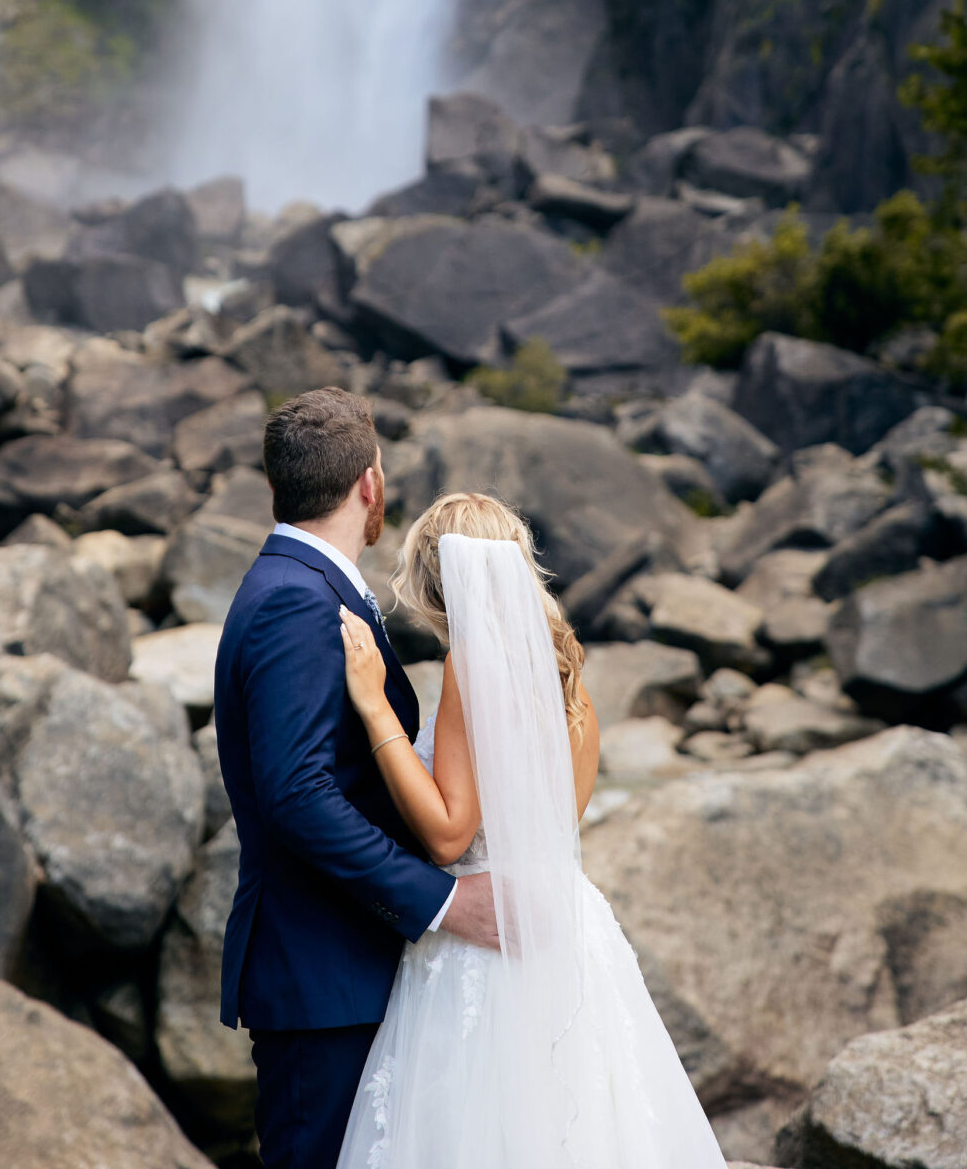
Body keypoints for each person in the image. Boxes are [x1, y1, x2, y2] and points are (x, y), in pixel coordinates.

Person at [335, 491, 729, 1168]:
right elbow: (549, 833)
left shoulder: (469, 667)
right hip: (567, 928)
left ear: (438, 581)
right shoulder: (572, 687)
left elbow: (450, 836)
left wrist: (375, 712)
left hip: (485, 943)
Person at [214, 389, 499, 1169]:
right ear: (369, 485)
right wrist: (441, 901)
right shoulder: (295, 602)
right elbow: (298, 796)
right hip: (319, 979)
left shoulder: (304, 586)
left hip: (344, 967)